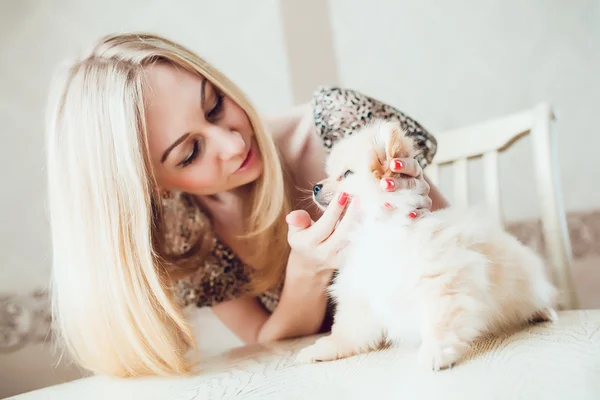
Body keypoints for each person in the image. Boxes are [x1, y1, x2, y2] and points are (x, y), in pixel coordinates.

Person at [45, 32, 449, 378]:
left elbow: (458, 249)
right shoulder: (187, 235)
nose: (234, 144)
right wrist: (307, 269)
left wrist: (412, 210)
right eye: (190, 153)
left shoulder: (337, 123)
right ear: (156, 188)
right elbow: (265, 345)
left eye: (215, 105)